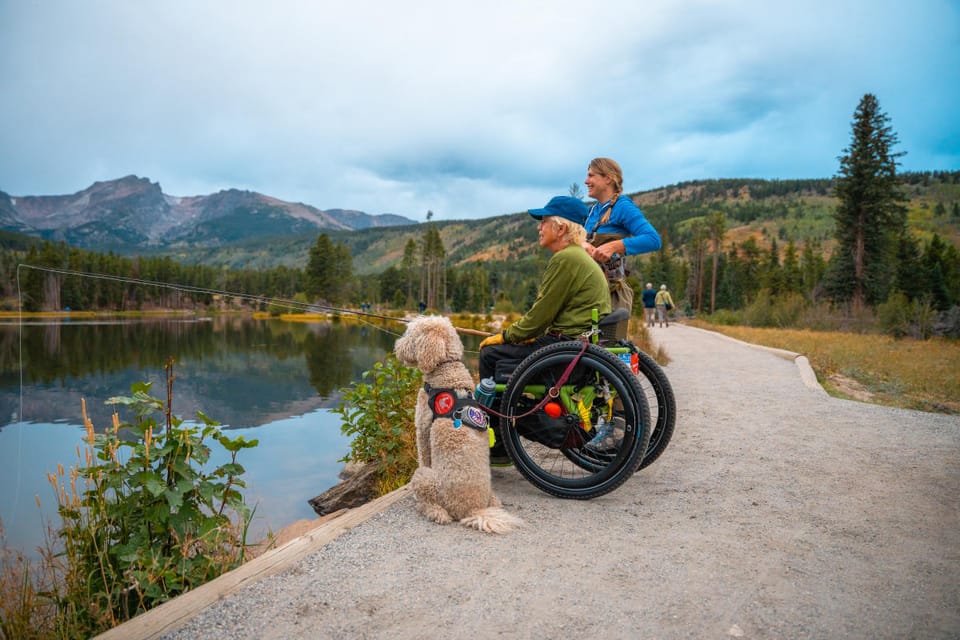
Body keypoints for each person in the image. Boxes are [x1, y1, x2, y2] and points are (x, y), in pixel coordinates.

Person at [479, 195, 611, 464]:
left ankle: (501, 444)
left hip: (566, 351)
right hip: (577, 348)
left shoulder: (566, 259)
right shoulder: (578, 258)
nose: (539, 228)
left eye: (544, 222)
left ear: (561, 228)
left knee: (491, 354)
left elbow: (539, 317)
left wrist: (505, 335)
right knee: (502, 351)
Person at [581, 157, 662, 314]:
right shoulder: (592, 211)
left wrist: (615, 246)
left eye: (591, 175)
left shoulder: (623, 206)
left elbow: (653, 239)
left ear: (608, 179)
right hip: (587, 294)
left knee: (607, 339)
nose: (586, 181)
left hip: (611, 295)